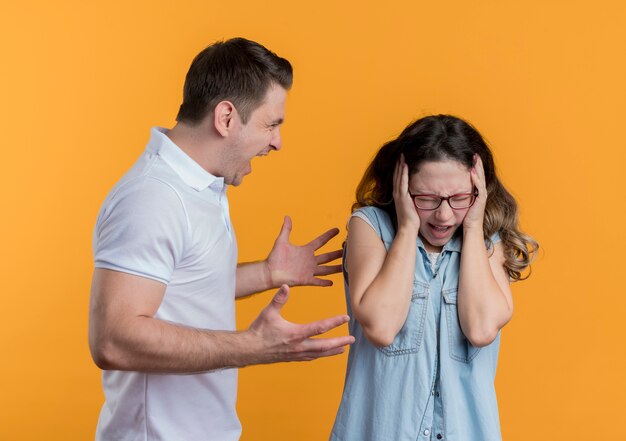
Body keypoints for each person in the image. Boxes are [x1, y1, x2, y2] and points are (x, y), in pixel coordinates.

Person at [88, 37, 354, 441]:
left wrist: (267, 273)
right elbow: (113, 339)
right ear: (226, 118)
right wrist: (254, 346)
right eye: (272, 124)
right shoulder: (154, 197)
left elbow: (181, 290)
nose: (278, 142)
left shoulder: (199, 186)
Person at [330, 115, 538, 441]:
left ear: (478, 192)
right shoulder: (370, 227)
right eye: (426, 198)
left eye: (458, 199)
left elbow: (482, 329)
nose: (443, 215)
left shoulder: (488, 244)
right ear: (401, 188)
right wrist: (408, 226)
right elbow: (381, 327)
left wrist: (472, 227)